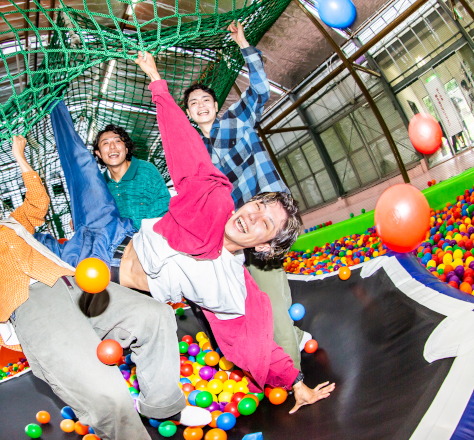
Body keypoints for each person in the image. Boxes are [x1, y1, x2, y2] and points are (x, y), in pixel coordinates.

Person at [37, 52, 335, 414]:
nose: (252, 216)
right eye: (257, 206)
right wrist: (157, 84)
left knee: (44, 258)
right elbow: (187, 150)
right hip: (115, 233)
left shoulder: (231, 289)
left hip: (108, 278)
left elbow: (253, 343)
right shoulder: (216, 199)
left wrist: (296, 383)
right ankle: (52, 97)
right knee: (82, 169)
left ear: (266, 247)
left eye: (265, 223)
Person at [0, 137, 210, 440]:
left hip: (72, 282)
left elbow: (38, 202)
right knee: (105, 390)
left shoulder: (14, 223)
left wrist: (20, 158)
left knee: (154, 315)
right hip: (32, 303)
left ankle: (164, 406)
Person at [183, 20, 308, 370]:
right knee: (252, 294)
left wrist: (243, 44)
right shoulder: (196, 154)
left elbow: (260, 89)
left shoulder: (236, 121)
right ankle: (291, 337)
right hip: (236, 235)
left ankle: (293, 371)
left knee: (272, 294)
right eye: (193, 103)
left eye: (206, 100)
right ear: (189, 114)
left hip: (265, 224)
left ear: (215, 104)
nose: (201, 105)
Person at [93, 124, 171, 230]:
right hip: (119, 239)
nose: (112, 147)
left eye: (117, 141)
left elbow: (163, 207)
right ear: (99, 153)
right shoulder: (100, 185)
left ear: (126, 149)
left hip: (151, 236)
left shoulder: (146, 170)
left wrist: (141, 236)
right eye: (105, 143)